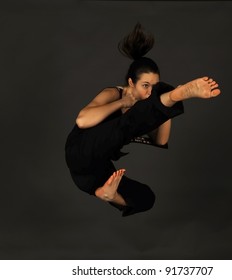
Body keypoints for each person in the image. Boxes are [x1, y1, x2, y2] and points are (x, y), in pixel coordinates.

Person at [65, 23, 221, 217]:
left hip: (88, 177)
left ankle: (106, 194)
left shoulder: (144, 108)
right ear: (131, 82)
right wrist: (123, 102)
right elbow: (82, 120)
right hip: (80, 150)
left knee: (146, 198)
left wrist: (166, 110)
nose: (149, 93)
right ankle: (173, 96)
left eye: (154, 88)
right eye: (145, 86)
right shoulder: (113, 93)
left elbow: (161, 140)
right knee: (126, 124)